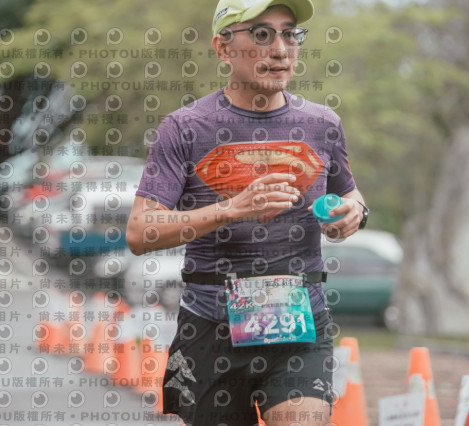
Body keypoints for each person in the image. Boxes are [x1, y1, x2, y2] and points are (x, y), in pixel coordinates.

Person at [126, 0, 368, 424]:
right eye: (261, 34)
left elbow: (350, 194)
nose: (280, 49)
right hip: (209, 326)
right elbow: (140, 232)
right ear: (223, 48)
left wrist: (354, 214)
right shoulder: (184, 128)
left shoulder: (322, 123)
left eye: (290, 34)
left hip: (299, 325)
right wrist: (231, 209)